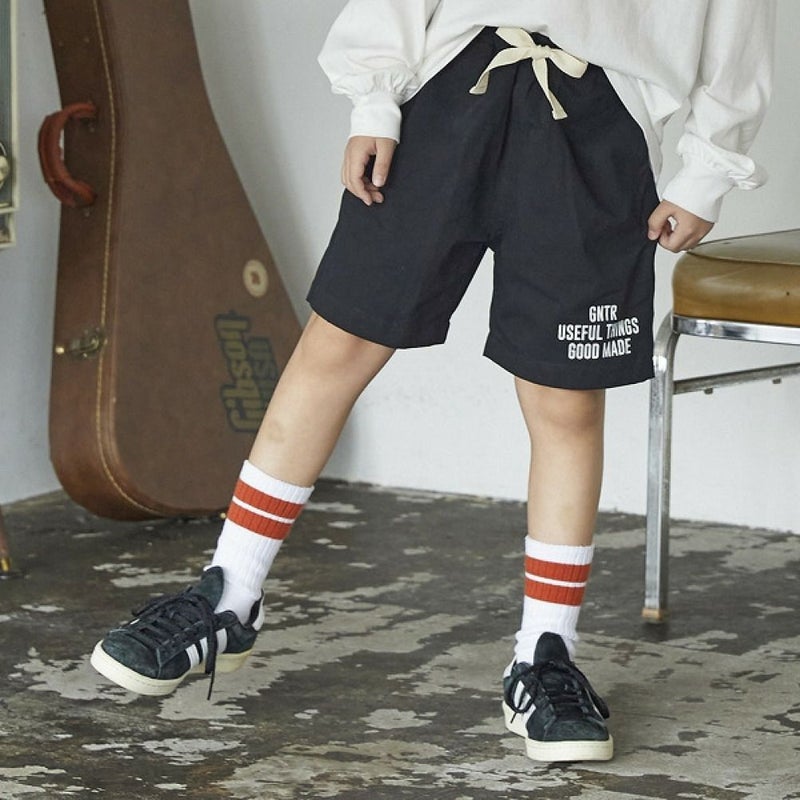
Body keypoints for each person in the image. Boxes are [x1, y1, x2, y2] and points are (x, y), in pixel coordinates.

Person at [90, 0, 776, 763]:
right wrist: (375, 98)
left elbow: (739, 19)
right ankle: (230, 593)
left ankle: (544, 654)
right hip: (447, 90)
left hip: (598, 124)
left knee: (565, 401)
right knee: (338, 344)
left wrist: (708, 169)